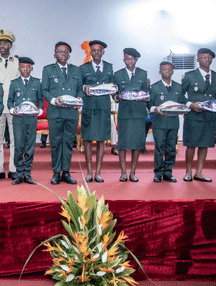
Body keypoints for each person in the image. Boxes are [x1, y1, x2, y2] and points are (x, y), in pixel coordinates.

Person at [42, 42, 83, 185]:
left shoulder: (76, 71)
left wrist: (79, 99)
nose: (63, 54)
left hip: (71, 113)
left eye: (66, 52)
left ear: (69, 55)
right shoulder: (48, 70)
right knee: (56, 144)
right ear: (55, 54)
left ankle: (66, 172)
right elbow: (44, 90)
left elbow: (80, 90)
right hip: (55, 113)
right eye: (60, 52)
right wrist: (53, 100)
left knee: (68, 143)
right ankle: (55, 173)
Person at [182, 48, 216, 182]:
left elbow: (215, 96)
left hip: (209, 116)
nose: (207, 60)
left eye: (209, 58)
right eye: (203, 57)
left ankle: (199, 172)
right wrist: (190, 104)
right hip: (194, 116)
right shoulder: (189, 75)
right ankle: (188, 171)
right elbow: (180, 95)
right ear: (197, 59)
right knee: (191, 144)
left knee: (205, 144)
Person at [80, 40, 114, 183]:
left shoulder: (109, 67)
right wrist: (84, 88)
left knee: (101, 140)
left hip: (103, 108)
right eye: (93, 50)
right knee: (87, 139)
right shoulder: (83, 68)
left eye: (98, 50)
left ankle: (98, 172)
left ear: (103, 52)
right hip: (89, 107)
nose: (96, 53)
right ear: (90, 52)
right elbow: (79, 86)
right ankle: (89, 172)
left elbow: (113, 85)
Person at [113, 48, 148, 182]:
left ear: (136, 60)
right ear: (124, 60)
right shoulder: (118, 74)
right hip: (125, 113)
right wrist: (118, 97)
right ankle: (123, 173)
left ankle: (133, 172)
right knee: (122, 144)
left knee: (137, 144)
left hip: (139, 113)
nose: (130, 62)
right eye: (127, 59)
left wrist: (146, 98)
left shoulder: (143, 74)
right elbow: (114, 94)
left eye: (132, 59)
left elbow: (145, 92)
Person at [0, 30, 21, 181]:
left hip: (14, 107)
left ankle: (13, 169)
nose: (2, 46)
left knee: (15, 140)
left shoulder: (18, 62)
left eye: (5, 43)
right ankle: (0, 169)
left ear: (11, 45)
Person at [149, 61, 187, 183]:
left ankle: (168, 172)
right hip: (159, 123)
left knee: (171, 149)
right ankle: (158, 173)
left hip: (173, 123)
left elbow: (183, 101)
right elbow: (149, 103)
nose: (167, 72)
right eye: (165, 70)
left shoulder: (178, 87)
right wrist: (154, 109)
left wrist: (185, 108)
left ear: (173, 71)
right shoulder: (154, 87)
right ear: (160, 72)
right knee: (160, 148)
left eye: (170, 69)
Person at [8, 57, 43, 185]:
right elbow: (9, 101)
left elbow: (40, 100)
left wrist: (39, 111)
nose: (25, 69)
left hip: (31, 120)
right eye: (23, 67)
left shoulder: (36, 83)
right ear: (19, 68)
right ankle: (18, 173)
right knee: (18, 147)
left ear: (32, 68)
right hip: (18, 120)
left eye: (28, 67)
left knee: (29, 147)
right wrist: (12, 110)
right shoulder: (14, 83)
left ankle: (27, 173)